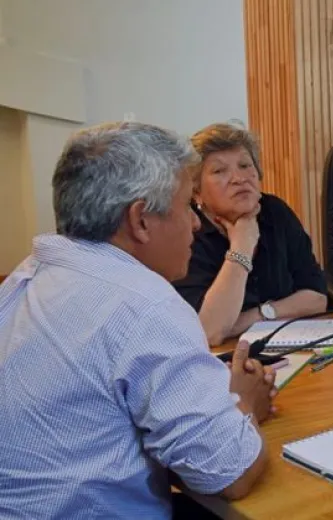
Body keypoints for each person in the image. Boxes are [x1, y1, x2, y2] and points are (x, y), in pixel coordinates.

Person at [0, 122, 276, 518]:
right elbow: (229, 473)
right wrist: (244, 401)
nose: (196, 224)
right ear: (141, 220)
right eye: (186, 206)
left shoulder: (28, 274)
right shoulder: (142, 303)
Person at [173, 123, 328, 345]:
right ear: (196, 192)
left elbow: (316, 297)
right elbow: (210, 331)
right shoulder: (186, 233)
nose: (239, 178)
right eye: (219, 171)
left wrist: (259, 315)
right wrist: (242, 245)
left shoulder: (275, 212)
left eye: (245, 165)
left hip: (290, 348)